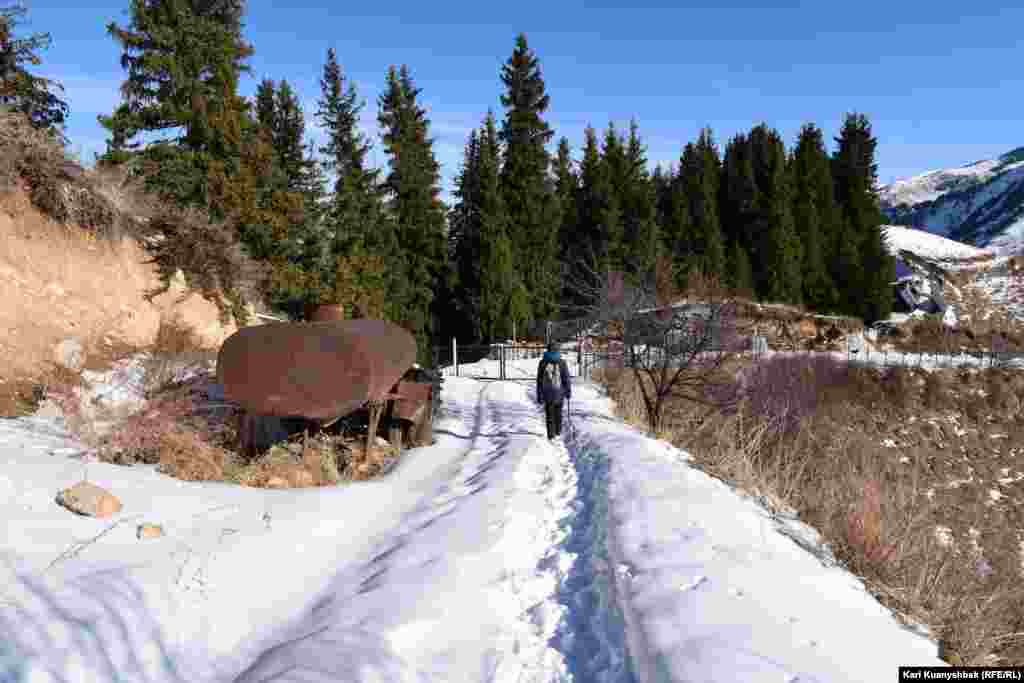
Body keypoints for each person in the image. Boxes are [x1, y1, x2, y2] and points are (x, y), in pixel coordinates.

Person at [536, 341, 571, 440]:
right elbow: (566, 378)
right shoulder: (562, 362)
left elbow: (539, 380)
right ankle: (558, 432)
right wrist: (568, 392)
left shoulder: (543, 362)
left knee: (549, 415)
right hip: (559, 393)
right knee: (558, 413)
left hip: (547, 393)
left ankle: (551, 435)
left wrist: (539, 395)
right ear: (557, 350)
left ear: (547, 350)